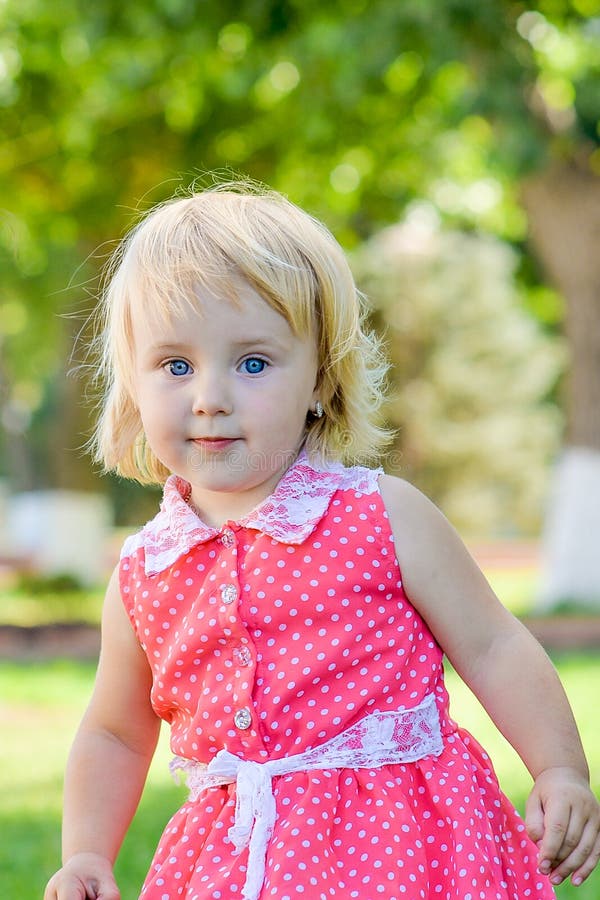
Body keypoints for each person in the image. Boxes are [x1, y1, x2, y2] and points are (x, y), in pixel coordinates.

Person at [45, 181, 600, 900]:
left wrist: (558, 769)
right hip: (238, 860)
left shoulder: (380, 515)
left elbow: (494, 646)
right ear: (133, 384)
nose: (209, 396)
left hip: (406, 843)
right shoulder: (146, 571)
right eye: (175, 366)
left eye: (252, 363)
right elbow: (115, 732)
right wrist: (86, 851)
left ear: (320, 380)